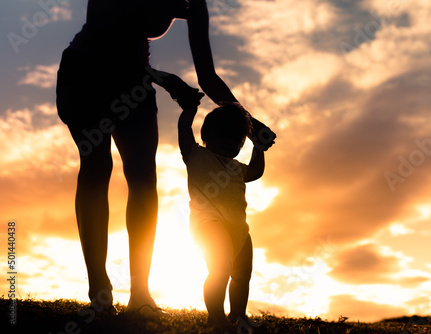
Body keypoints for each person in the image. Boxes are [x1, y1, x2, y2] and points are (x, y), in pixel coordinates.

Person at [56, 0, 275, 319]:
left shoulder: (194, 6)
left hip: (136, 82)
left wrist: (250, 124)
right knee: (97, 165)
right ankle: (99, 292)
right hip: (86, 71)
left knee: (144, 178)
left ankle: (140, 294)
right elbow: (104, 41)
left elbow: (208, 77)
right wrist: (162, 77)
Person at [176, 101, 271, 332]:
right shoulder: (195, 155)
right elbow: (184, 131)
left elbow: (256, 171)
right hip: (209, 225)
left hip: (240, 230)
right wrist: (188, 109)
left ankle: (237, 314)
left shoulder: (236, 168)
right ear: (207, 135)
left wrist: (259, 146)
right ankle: (215, 316)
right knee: (219, 270)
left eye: (237, 139)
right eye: (226, 135)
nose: (232, 143)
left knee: (241, 275)